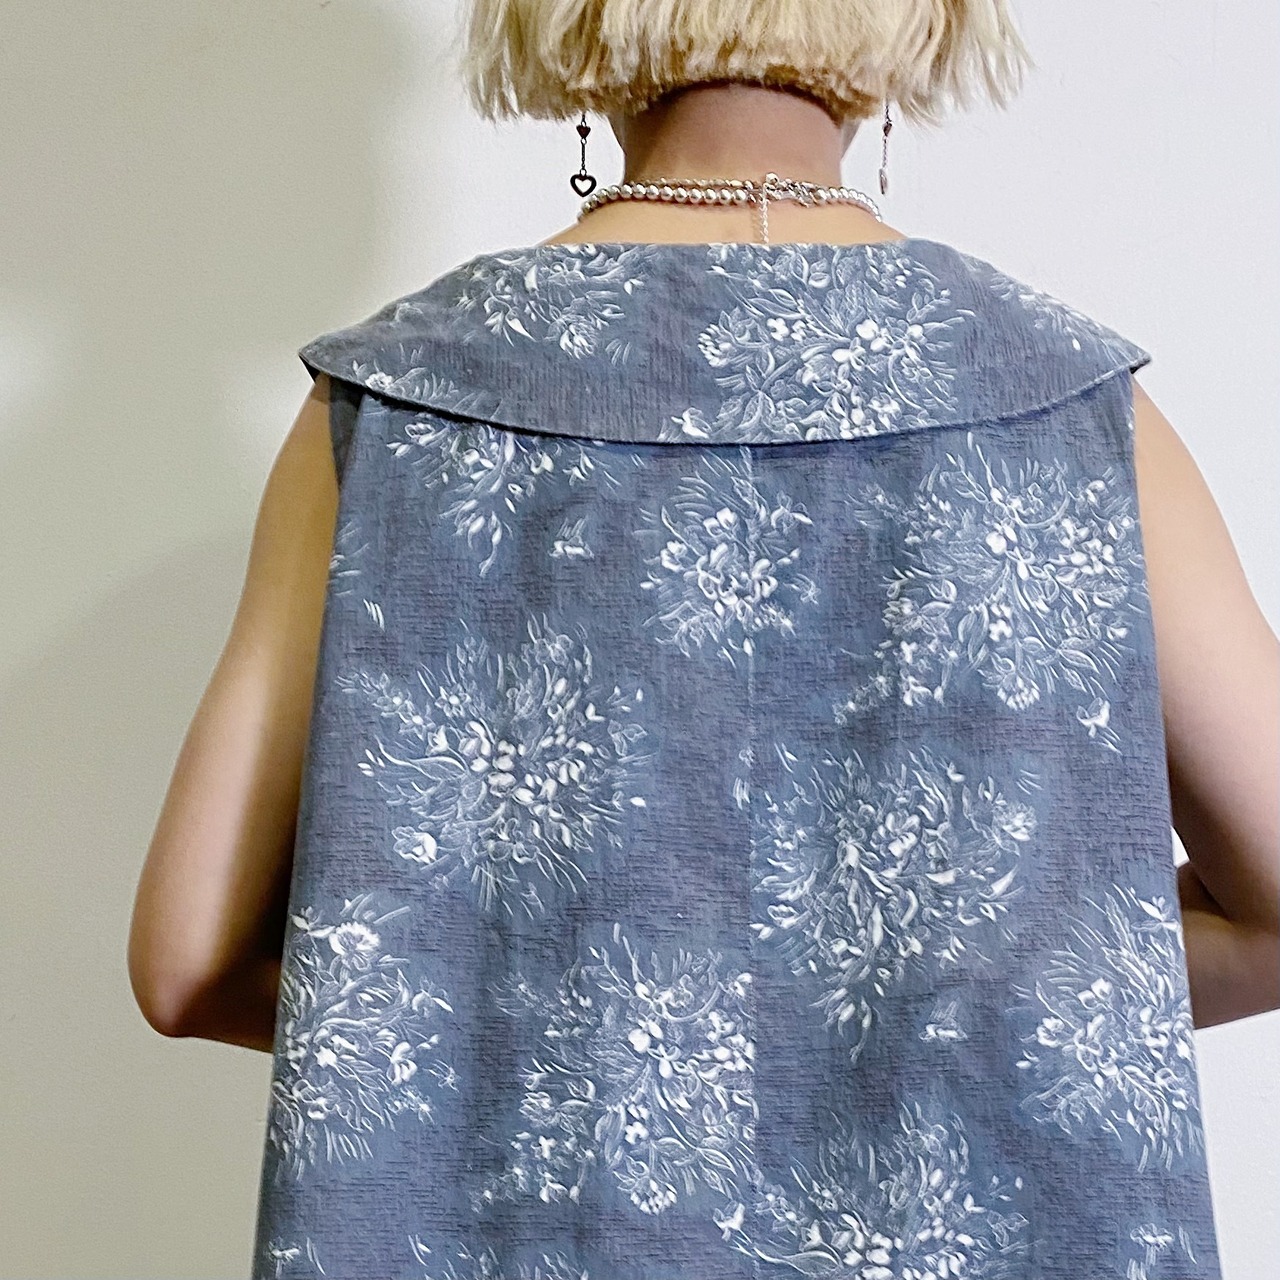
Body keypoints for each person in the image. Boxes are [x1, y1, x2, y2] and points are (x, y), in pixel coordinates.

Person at [128, 3, 1279, 1277]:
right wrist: (935, 996)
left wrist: (524, 1028)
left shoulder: (394, 403)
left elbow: (188, 964)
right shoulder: (1070, 404)